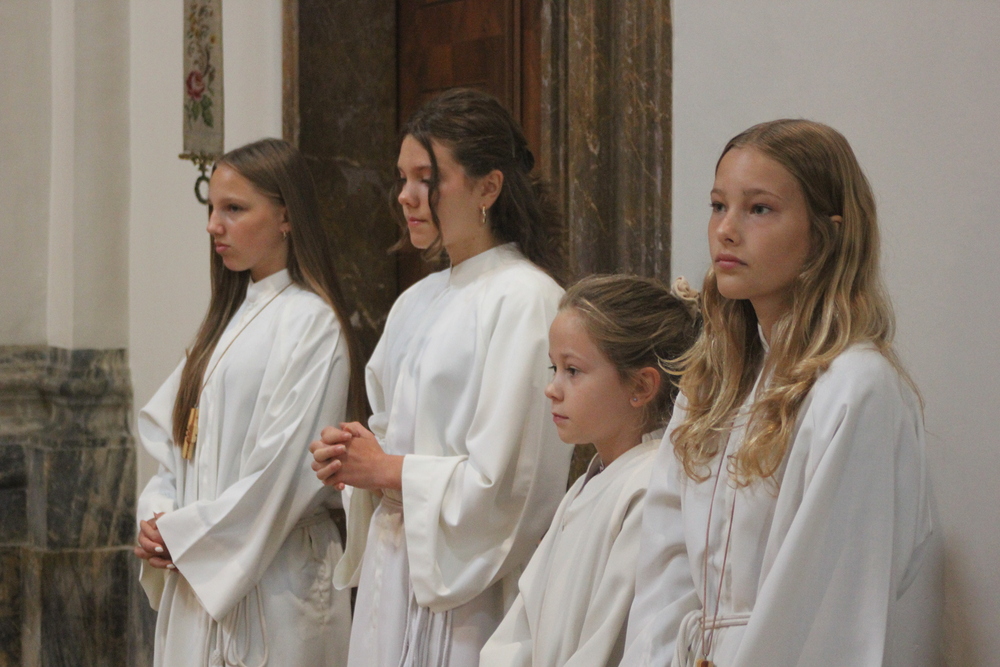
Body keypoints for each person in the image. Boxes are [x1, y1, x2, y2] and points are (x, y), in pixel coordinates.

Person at [623, 119, 942, 666]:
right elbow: (665, 569)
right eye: (718, 205)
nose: (726, 230)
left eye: (759, 209)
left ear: (825, 235)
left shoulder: (855, 388)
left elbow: (829, 610)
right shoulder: (711, 386)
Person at [310, 88, 572, 667]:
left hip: (470, 595)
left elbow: (512, 481)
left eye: (427, 179)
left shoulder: (526, 299)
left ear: (488, 187)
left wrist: (386, 469)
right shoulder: (416, 301)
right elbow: (388, 432)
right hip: (393, 571)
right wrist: (353, 458)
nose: (406, 196)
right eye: (401, 178)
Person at [133, 138, 363, 666]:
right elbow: (177, 447)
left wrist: (183, 536)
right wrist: (158, 516)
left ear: (286, 216)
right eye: (212, 208)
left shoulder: (311, 323)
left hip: (276, 583)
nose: (214, 225)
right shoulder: (226, 321)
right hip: (199, 571)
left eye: (234, 209)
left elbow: (281, 474)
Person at [479, 274, 700, 667]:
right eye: (554, 368)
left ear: (641, 386)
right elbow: (521, 630)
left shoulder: (649, 487)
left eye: (573, 370)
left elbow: (610, 643)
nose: (552, 388)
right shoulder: (589, 484)